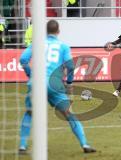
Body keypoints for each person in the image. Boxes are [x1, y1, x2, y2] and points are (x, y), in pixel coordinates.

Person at [18, 20, 96, 154]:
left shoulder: (36, 44)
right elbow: (70, 66)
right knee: (69, 114)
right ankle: (84, 144)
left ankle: (22, 146)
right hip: (54, 84)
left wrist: (30, 74)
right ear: (58, 32)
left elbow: (23, 59)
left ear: (45, 31)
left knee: (30, 112)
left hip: (36, 83)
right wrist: (69, 83)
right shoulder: (63, 46)